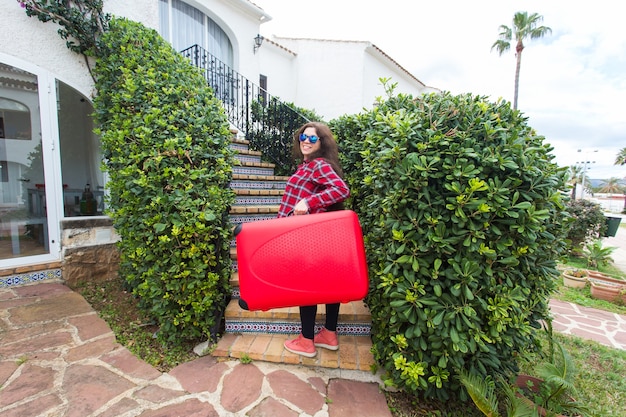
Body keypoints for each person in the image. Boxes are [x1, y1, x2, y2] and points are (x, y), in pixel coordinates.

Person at [278, 121, 350, 358]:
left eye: (312, 138)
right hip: (316, 236)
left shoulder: (318, 165)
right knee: (327, 284)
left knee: (305, 286)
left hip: (307, 237)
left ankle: (306, 341)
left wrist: (308, 202)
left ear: (321, 143)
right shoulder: (306, 167)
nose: (306, 142)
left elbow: (341, 190)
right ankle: (328, 334)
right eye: (303, 137)